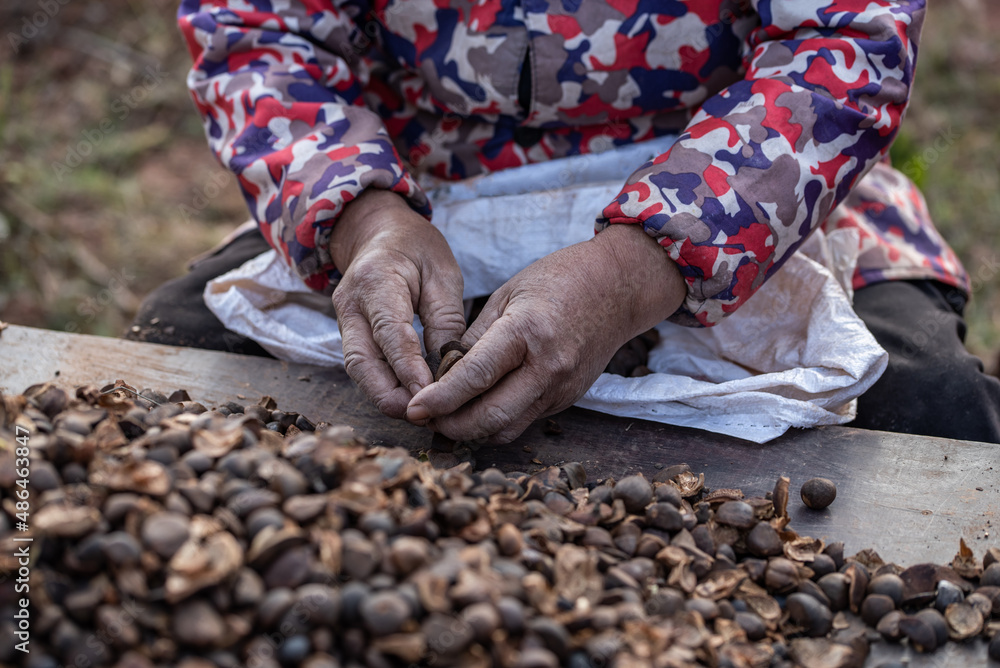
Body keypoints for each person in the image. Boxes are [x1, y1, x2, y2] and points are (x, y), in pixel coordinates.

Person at [129, 0, 1000, 443]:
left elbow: (841, 53)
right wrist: (365, 219)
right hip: (418, 183)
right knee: (181, 351)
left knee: (928, 407)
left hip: (756, 189)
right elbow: (259, 40)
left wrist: (633, 270)